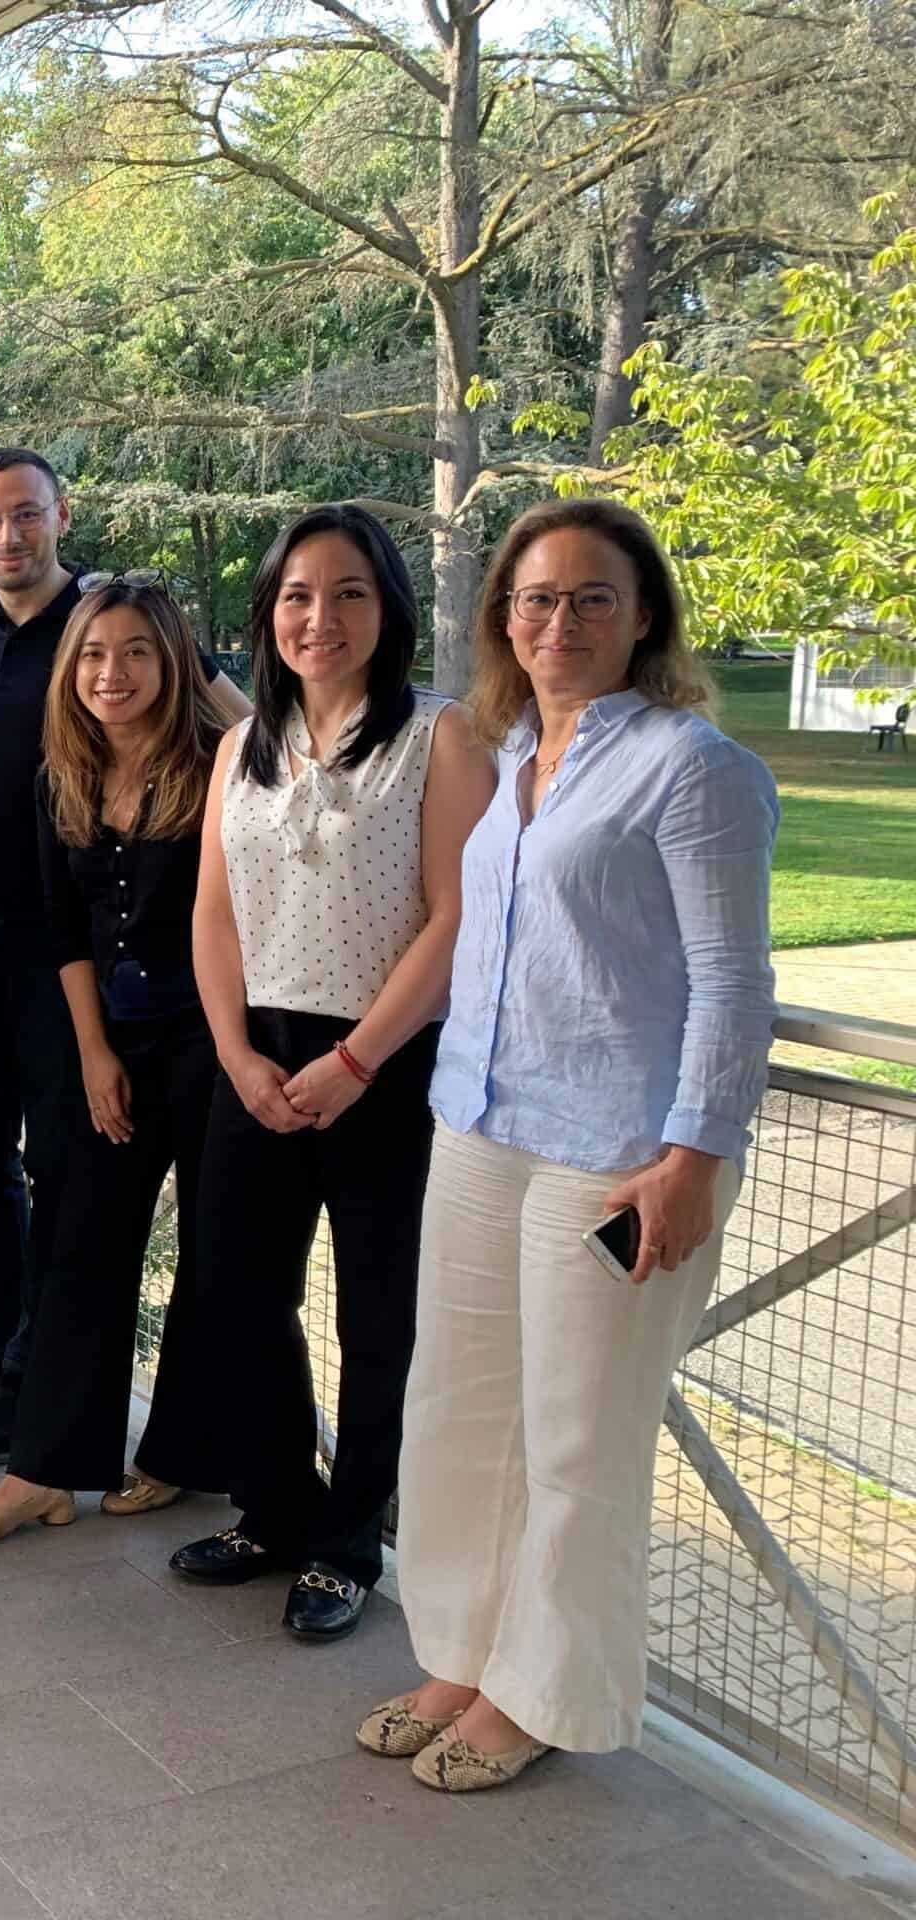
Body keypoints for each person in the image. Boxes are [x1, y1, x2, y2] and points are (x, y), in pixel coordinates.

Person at [365, 498, 777, 1791]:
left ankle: (540, 1693)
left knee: (576, 1438)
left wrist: (694, 1155)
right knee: (460, 1409)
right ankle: (464, 1654)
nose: (561, 622)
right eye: (537, 599)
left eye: (593, 597)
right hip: (483, 1129)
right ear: (504, 619)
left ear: (642, 614)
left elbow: (731, 979)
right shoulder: (509, 762)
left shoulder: (692, 767)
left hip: (615, 1153)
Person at [165, 503, 493, 1641]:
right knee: (236, 1295)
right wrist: (236, 1056)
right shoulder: (238, 748)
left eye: (349, 592)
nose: (321, 617)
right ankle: (275, 1510)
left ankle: (351, 1541)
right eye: (298, 595)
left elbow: (456, 919)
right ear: (268, 612)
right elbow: (212, 915)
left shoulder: (439, 737)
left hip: (386, 1063)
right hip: (253, 1058)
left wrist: (356, 1060)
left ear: (387, 608)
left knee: (376, 1316)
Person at [0, 448, 251, 1466]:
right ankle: (5, 1342)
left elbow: (240, 729)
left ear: (61, 514)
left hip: (68, 943)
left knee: (58, 1162)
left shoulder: (113, 624)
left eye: (25, 516)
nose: (7, 537)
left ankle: (37, 1367)